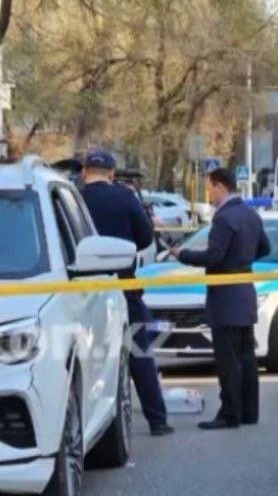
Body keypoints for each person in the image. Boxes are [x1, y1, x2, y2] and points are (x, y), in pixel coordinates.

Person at [79, 150, 174, 437]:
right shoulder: (125, 197)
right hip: (122, 285)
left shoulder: (74, 197)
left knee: (83, 357)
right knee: (139, 352)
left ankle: (89, 420)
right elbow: (145, 237)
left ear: (84, 171)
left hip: (80, 288)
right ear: (111, 173)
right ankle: (157, 420)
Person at [171, 168, 269, 430]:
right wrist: (242, 260)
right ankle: (248, 412)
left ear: (220, 187)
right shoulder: (250, 214)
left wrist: (183, 255)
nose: (209, 195)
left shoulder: (224, 218)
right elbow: (265, 248)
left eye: (210, 189)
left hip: (225, 296)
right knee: (246, 358)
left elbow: (214, 257)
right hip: (245, 292)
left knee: (228, 360)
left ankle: (229, 413)